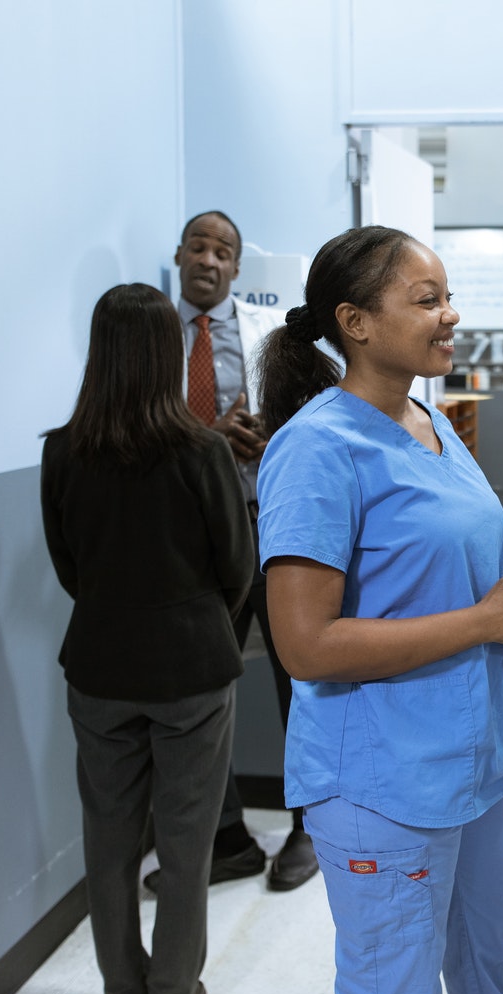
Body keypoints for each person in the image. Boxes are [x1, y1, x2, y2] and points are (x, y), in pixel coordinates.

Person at [254, 225, 503, 994]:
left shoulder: (428, 420)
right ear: (355, 322)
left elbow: (439, 569)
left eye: (446, 296)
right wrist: (478, 624)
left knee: (490, 968)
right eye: (427, 300)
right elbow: (305, 643)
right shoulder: (317, 449)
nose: (450, 316)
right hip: (383, 779)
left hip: (474, 760)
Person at [40, 283, 255, 994]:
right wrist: (200, 624)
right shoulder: (201, 450)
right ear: (168, 352)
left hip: (99, 666)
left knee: (108, 843)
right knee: (188, 839)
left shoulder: (64, 449)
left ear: (100, 353)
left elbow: (69, 567)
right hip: (192, 667)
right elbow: (237, 564)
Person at [147, 209, 318, 894]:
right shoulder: (151, 337)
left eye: (224, 251)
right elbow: (139, 431)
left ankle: (309, 828)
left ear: (238, 268)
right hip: (191, 541)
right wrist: (208, 436)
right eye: (199, 247)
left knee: (298, 680)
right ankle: (224, 839)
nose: (210, 260)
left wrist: (265, 432)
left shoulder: (263, 333)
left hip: (265, 525)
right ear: (180, 255)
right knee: (200, 692)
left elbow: (305, 422)